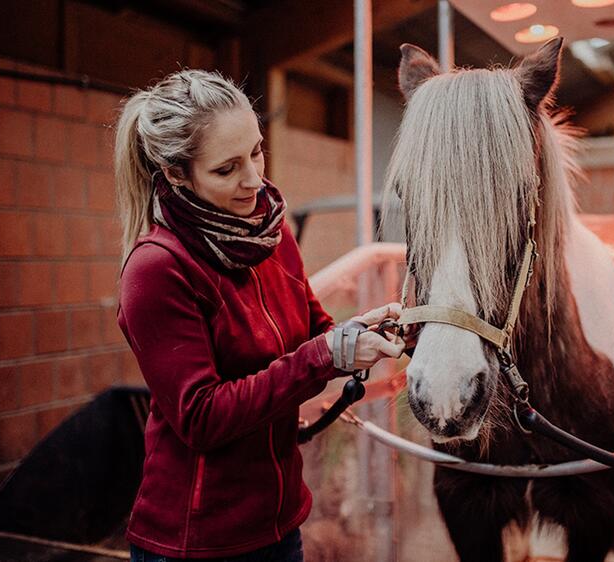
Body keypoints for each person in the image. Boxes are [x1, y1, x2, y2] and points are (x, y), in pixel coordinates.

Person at [114, 69, 406, 561]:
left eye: (256, 151)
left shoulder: (268, 232)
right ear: (176, 175)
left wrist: (366, 334)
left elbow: (314, 331)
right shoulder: (157, 267)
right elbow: (201, 417)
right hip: (199, 543)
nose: (254, 179)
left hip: (279, 523)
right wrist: (325, 356)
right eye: (226, 169)